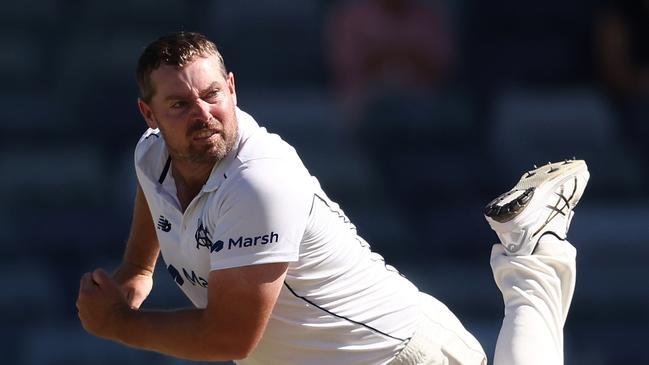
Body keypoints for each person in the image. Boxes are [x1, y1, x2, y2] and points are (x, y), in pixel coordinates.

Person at [76, 31, 589, 365]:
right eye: (180, 104)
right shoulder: (152, 154)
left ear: (232, 88)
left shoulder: (257, 181)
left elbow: (229, 338)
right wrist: (139, 267)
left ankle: (532, 251)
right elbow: (154, 192)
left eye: (212, 95)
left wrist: (121, 325)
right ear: (150, 116)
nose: (203, 113)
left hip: (397, 354)